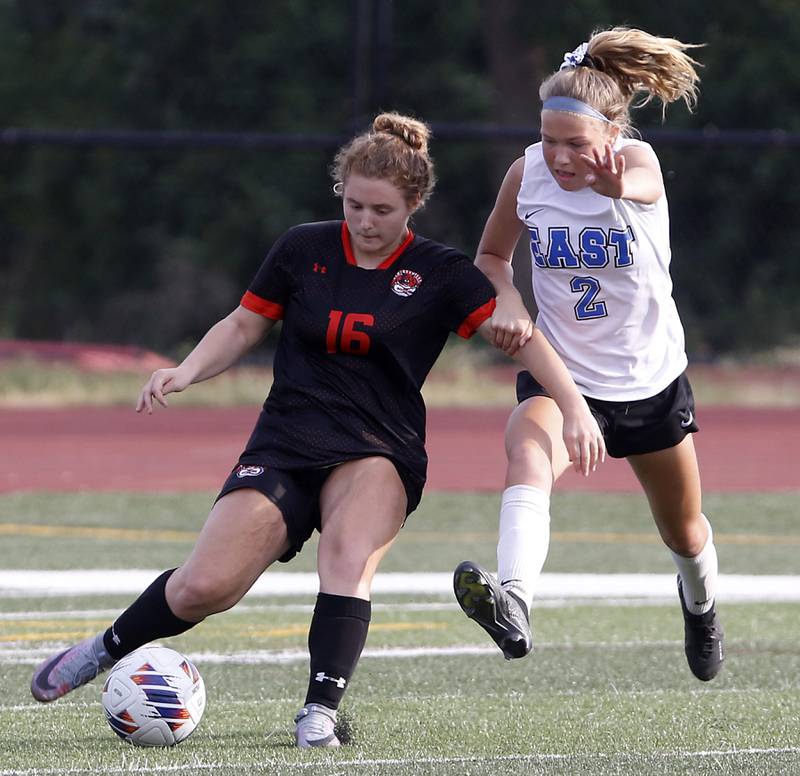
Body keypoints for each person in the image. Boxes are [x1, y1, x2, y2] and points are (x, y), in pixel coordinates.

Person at [30, 112, 605, 747]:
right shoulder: (303, 248)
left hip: (379, 448)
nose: (364, 221)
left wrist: (573, 405)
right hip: (287, 440)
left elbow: (524, 342)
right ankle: (103, 649)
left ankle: (319, 713)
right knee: (204, 586)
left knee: (347, 559)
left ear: (414, 203)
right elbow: (244, 325)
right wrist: (186, 370)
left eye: (381, 209)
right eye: (354, 204)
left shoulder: (441, 273)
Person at [453, 27, 725, 682]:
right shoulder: (529, 172)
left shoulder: (638, 163)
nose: (560, 156)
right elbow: (490, 258)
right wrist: (509, 302)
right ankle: (514, 598)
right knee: (527, 451)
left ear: (611, 133)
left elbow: (638, 188)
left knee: (684, 532)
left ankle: (702, 605)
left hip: (649, 381)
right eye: (550, 140)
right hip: (561, 374)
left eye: (575, 143)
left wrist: (610, 186)